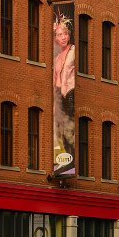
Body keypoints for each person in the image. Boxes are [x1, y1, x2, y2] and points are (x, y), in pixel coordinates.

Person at [53, 14, 76, 176]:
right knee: (60, 129)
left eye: (66, 34)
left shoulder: (73, 51)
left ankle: (71, 161)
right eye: (60, 34)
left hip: (71, 94)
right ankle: (65, 161)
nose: (63, 37)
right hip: (60, 96)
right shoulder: (56, 58)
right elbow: (56, 81)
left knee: (70, 129)